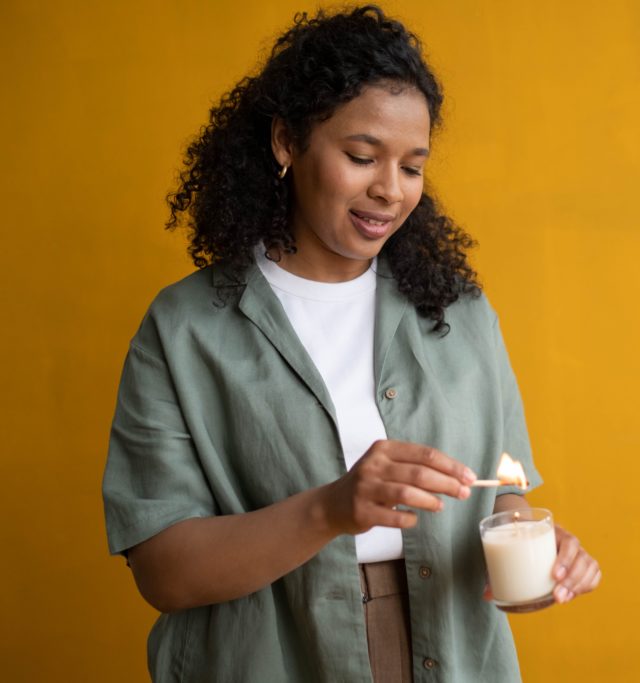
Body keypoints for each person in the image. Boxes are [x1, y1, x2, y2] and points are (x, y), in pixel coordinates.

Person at [102, 6, 600, 682]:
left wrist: (540, 549)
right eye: (362, 157)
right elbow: (164, 572)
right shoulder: (184, 328)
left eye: (412, 167)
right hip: (271, 658)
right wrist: (330, 508)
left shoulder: (459, 313)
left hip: (454, 654)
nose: (389, 190)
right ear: (287, 142)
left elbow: (501, 495)